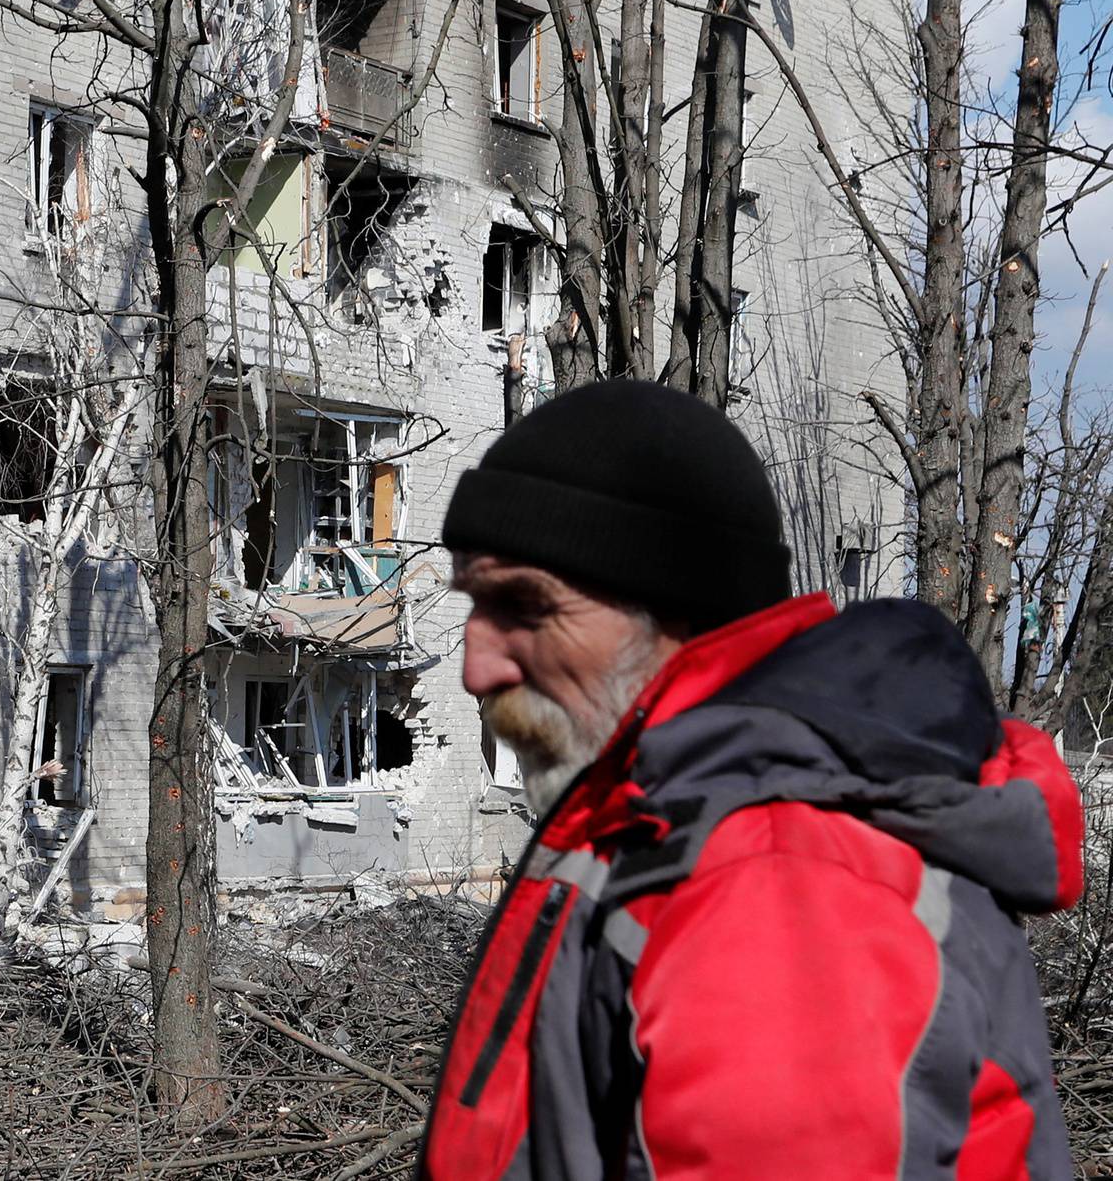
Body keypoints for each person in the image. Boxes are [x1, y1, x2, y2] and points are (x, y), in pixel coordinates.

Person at [419, 379, 1084, 1180]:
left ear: (678, 614)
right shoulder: (669, 818)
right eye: (473, 605)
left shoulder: (776, 872)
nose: (475, 664)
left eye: (524, 606)